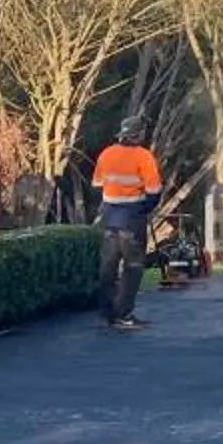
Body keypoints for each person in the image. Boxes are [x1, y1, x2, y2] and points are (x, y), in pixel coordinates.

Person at [89, 116, 163, 332]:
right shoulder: (143, 156)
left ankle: (107, 312)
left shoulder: (107, 154)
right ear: (139, 134)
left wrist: (107, 205)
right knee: (133, 267)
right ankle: (124, 315)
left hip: (110, 217)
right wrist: (143, 209)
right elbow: (154, 191)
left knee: (108, 267)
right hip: (132, 218)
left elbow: (96, 186)